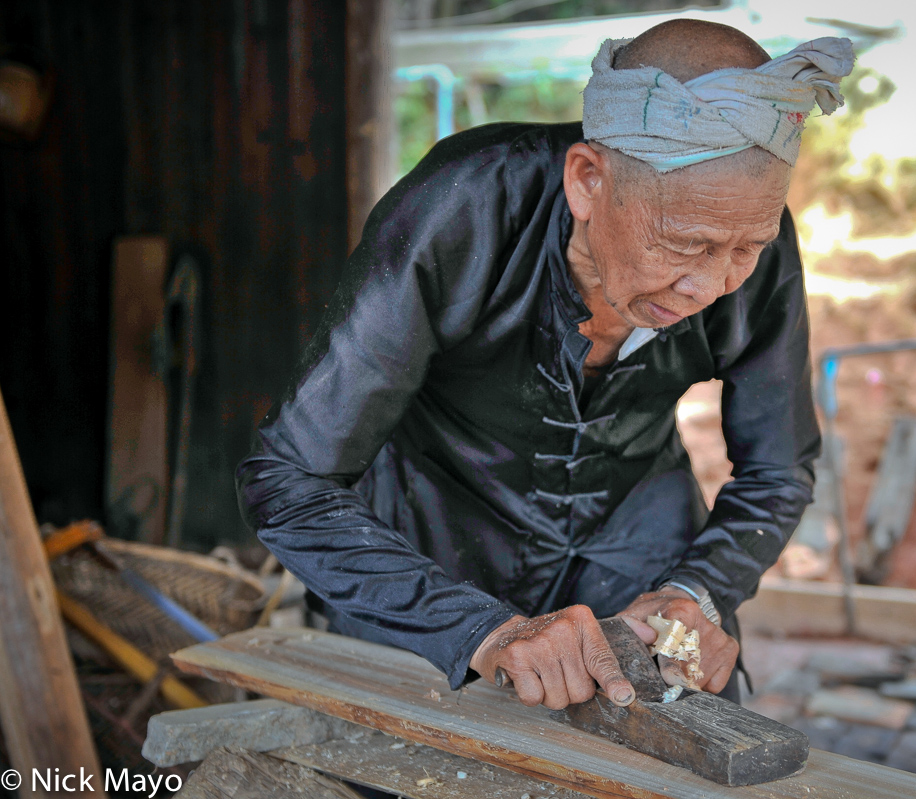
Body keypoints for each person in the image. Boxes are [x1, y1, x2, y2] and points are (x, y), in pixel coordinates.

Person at [236, 19, 852, 711]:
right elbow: (287, 479)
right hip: (435, 538)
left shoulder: (754, 245)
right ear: (588, 181)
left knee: (680, 753)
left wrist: (697, 589)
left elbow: (779, 465)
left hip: (637, 529)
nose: (710, 286)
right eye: (684, 243)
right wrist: (479, 628)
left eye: (744, 248)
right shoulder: (462, 210)